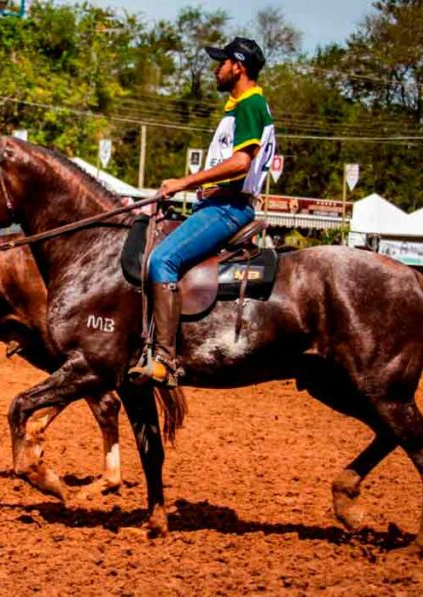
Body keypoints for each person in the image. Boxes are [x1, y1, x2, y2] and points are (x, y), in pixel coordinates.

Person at [129, 38, 276, 385]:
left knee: (162, 260)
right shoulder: (240, 105)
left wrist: (184, 181)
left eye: (222, 62)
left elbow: (241, 162)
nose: (217, 68)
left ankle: (165, 358)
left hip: (228, 208)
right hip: (221, 201)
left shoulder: (250, 105)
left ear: (238, 66)